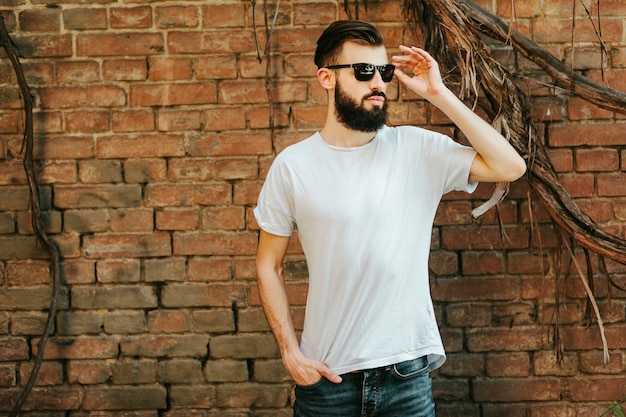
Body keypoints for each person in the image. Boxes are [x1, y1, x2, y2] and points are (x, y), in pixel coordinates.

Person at [254, 20, 526, 417]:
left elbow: (510, 166)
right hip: (327, 380)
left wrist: (440, 94)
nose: (378, 82)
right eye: (364, 71)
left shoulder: (416, 149)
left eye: (383, 71)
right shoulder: (293, 166)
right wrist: (289, 352)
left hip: (407, 378)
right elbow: (268, 264)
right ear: (326, 78)